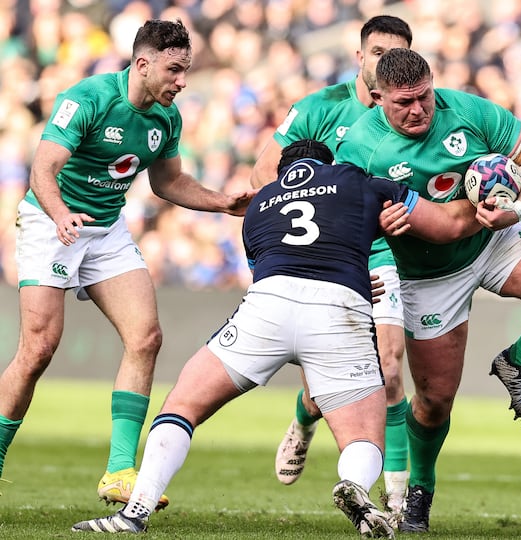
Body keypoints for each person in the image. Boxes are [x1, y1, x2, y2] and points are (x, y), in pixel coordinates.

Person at [70, 139, 481, 536]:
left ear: (285, 172)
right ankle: (354, 487)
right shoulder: (357, 179)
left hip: (268, 304)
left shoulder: (260, 206)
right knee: (363, 437)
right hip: (340, 307)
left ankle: (135, 511)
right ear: (328, 163)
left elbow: (271, 266)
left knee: (181, 406)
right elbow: (443, 224)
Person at [336, 47, 521, 532]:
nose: (417, 110)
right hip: (427, 278)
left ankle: (517, 361)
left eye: (424, 98)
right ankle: (421, 489)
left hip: (493, 237)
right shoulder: (360, 149)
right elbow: (374, 221)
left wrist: (517, 209)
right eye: (403, 103)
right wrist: (377, 225)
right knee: (434, 402)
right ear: (377, 98)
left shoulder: (468, 110)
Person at [0, 19, 256, 509]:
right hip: (50, 221)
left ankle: (119, 472)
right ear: (142, 64)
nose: (183, 81)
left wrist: (222, 202)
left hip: (106, 230)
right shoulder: (90, 97)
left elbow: (168, 183)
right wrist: (60, 216)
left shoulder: (167, 118)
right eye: (175, 70)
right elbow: (43, 168)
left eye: (187, 70)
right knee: (38, 350)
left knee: (146, 338)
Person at [250, 15, 415, 514]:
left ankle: (401, 502)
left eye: (398, 53)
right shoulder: (318, 108)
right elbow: (264, 173)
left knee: (388, 371)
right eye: (379, 52)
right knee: (327, 386)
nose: (387, 62)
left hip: (381, 254)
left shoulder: (411, 112)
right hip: (320, 256)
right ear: (360, 56)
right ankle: (304, 418)